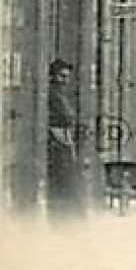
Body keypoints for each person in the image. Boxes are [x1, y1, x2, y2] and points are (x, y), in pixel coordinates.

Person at [46, 60, 83, 216]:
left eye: (67, 77)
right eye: (61, 76)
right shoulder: (51, 95)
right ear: (53, 76)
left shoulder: (61, 96)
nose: (65, 81)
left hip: (65, 143)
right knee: (65, 183)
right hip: (57, 144)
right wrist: (61, 138)